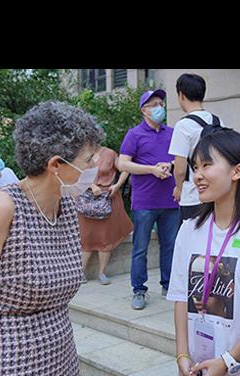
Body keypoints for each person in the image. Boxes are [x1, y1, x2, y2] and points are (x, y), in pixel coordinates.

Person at [0, 101, 104, 376]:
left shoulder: (67, 207)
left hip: (60, 364)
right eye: (89, 158)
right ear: (56, 165)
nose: (96, 166)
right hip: (7, 368)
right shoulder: (3, 207)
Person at [166, 127, 240, 376]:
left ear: (237, 171)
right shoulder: (189, 230)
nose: (197, 175)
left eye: (207, 165)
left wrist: (226, 362)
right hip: (196, 373)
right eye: (195, 166)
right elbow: (180, 297)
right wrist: (182, 356)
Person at [116, 89, 180, 310]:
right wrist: (151, 169)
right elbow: (122, 163)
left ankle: (169, 284)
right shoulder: (134, 135)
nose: (159, 107)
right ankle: (139, 290)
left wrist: (169, 165)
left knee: (170, 246)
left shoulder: (172, 133)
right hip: (144, 201)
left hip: (171, 200)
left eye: (161, 103)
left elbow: (181, 159)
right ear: (144, 110)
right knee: (140, 248)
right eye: (154, 104)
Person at [169, 73, 225, 222]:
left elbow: (180, 169)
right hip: (216, 194)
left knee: (193, 241)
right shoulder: (218, 121)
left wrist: (178, 188)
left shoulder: (183, 125)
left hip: (192, 196)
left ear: (181, 95)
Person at [78, 146, 133, 285]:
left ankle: (101, 272)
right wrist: (91, 185)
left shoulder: (110, 153)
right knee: (85, 236)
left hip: (106, 198)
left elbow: (126, 168)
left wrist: (118, 185)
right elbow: (75, 172)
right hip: (86, 199)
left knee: (105, 237)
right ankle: (80, 273)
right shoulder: (81, 153)